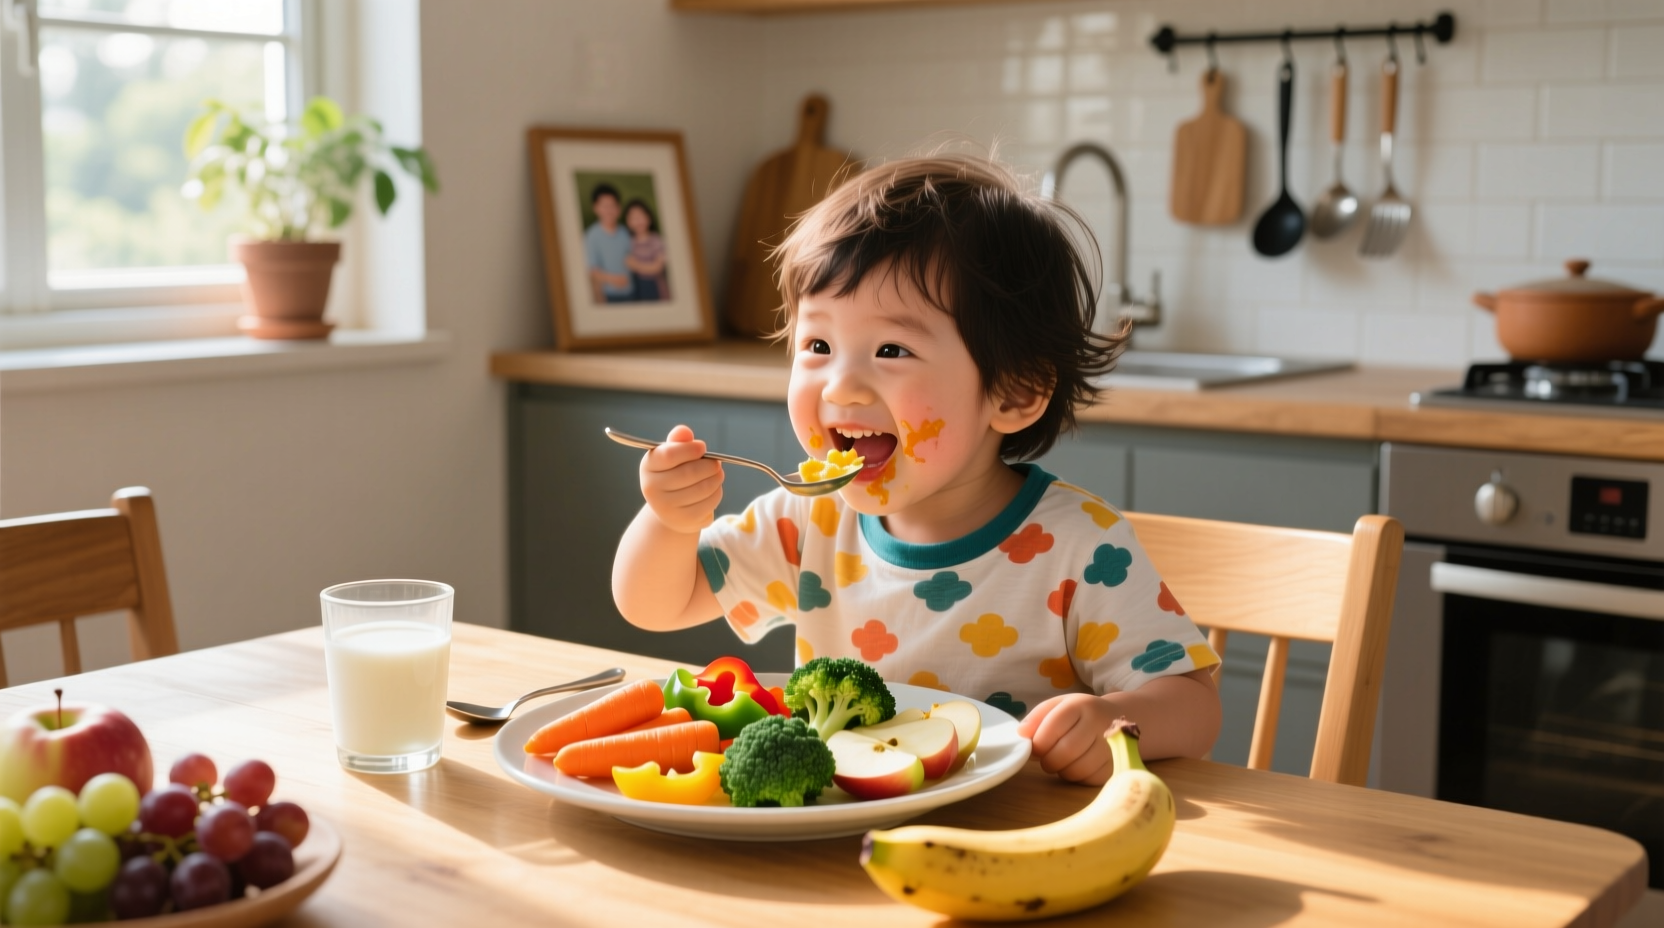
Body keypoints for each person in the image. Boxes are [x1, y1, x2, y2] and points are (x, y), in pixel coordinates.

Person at [611, 156, 1221, 785]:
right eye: (817, 346)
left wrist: (1115, 720)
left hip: (1005, 836)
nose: (841, 388)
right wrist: (668, 521)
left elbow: (1195, 706)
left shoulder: (1081, 546)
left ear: (1012, 393)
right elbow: (654, 603)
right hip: (839, 835)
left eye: (891, 350)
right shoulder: (807, 519)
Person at [583, 183, 634, 303]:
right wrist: (616, 280)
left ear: (618, 209)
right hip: (609, 296)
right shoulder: (591, 236)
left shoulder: (626, 232)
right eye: (604, 206)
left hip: (632, 292)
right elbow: (592, 270)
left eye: (612, 206)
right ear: (595, 208)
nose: (609, 210)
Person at [622, 198, 670, 302]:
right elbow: (627, 263)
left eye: (641, 216)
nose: (638, 221)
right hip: (636, 287)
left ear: (649, 218)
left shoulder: (656, 240)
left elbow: (658, 267)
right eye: (634, 218)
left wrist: (637, 266)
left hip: (655, 286)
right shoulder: (629, 242)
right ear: (628, 222)